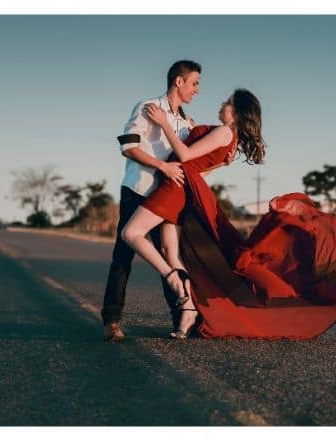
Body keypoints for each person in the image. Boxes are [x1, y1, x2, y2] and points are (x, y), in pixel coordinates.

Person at [122, 89, 336, 340]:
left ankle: (174, 281)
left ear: (236, 113)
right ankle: (189, 308)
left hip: (174, 185)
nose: (222, 104)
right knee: (170, 252)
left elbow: (185, 156)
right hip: (184, 187)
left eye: (228, 103)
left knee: (131, 232)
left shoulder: (225, 131)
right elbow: (201, 169)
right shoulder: (231, 142)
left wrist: (163, 124)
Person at [101, 60, 232, 342]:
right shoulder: (148, 107)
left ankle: (181, 316)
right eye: (195, 83)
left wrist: (221, 164)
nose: (197, 90)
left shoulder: (187, 123)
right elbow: (128, 146)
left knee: (168, 252)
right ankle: (111, 321)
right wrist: (163, 168)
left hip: (168, 196)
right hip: (139, 189)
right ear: (179, 82)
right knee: (123, 256)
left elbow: (191, 164)